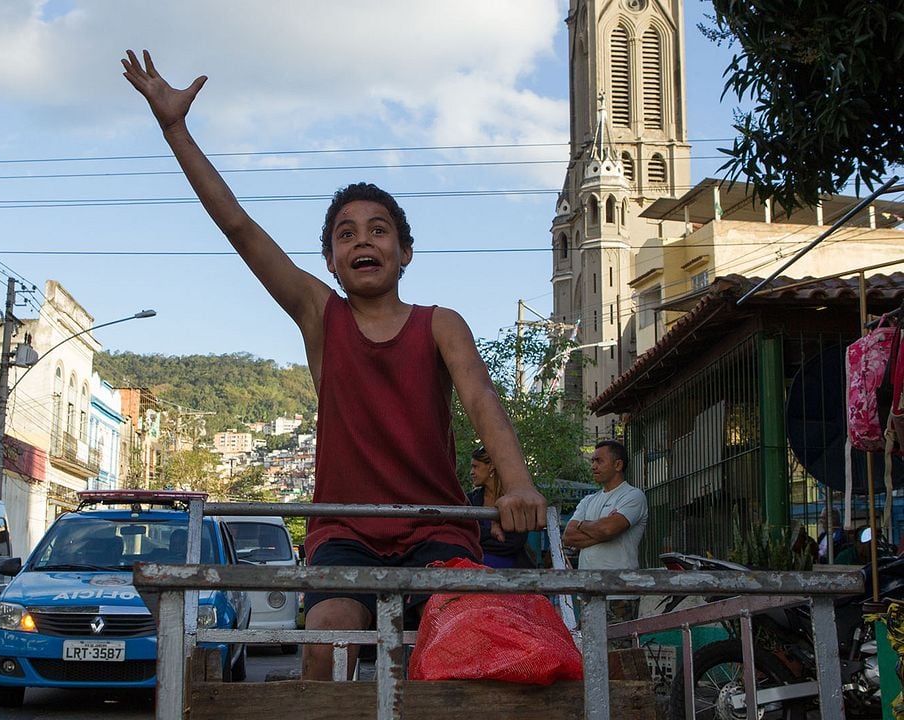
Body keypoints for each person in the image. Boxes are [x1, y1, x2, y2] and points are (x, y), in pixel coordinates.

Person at [121, 50, 548, 681]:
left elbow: (484, 401)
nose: (363, 241)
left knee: (460, 646)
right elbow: (238, 226)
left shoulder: (441, 323)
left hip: (438, 528)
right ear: (329, 260)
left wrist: (517, 484)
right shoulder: (322, 316)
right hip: (345, 529)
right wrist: (175, 130)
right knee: (329, 641)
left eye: (379, 230)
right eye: (346, 234)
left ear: (405, 252)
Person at [562, 440, 647, 622]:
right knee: (587, 649)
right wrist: (602, 530)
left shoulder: (633, 496)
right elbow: (568, 536)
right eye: (592, 461)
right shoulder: (589, 500)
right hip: (589, 592)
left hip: (619, 592)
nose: (593, 466)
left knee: (616, 649)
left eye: (599, 461)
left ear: (618, 465)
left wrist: (584, 525)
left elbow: (608, 529)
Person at [466, 446, 534, 568]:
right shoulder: (469, 500)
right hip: (475, 571)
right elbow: (464, 535)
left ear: (491, 466)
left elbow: (513, 543)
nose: (471, 472)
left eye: (475, 466)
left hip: (513, 574)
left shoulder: (515, 500)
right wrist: (491, 534)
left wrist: (479, 537)